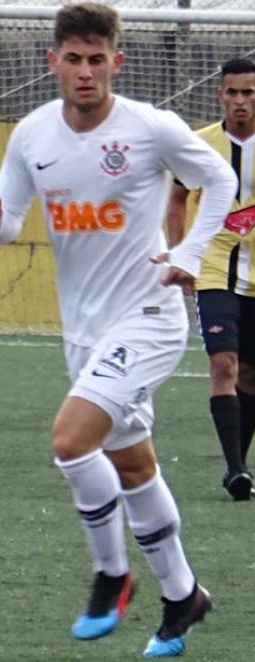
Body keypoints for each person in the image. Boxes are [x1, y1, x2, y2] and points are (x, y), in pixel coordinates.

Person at [0, 3, 236, 657]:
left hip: (148, 319)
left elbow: (220, 176)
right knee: (131, 463)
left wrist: (188, 253)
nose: (85, 72)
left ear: (116, 62)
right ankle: (183, 595)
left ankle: (112, 575)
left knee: (70, 441)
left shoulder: (150, 128)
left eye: (98, 59)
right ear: (53, 62)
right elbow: (7, 215)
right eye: (73, 58)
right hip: (85, 331)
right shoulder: (33, 135)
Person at [166, 57, 255, 502]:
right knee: (224, 365)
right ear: (220, 94)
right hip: (215, 270)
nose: (240, 100)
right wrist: (183, 254)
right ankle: (236, 470)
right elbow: (178, 196)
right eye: (232, 92)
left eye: (249, 92)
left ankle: (236, 463)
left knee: (251, 376)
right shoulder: (200, 145)